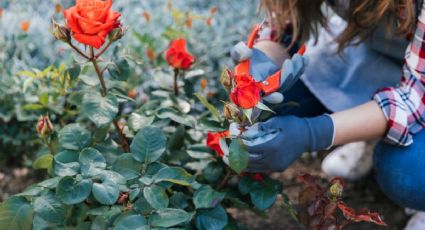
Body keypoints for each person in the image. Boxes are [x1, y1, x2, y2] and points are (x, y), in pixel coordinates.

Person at [230, 0, 425, 228]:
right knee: (275, 106)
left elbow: (417, 95)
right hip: (377, 52)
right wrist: (261, 61)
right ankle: (369, 132)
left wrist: (313, 133)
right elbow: (286, 20)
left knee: (409, 171)